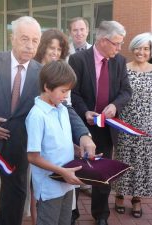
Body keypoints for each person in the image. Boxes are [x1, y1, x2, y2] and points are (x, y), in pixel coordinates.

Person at [0, 16, 95, 225]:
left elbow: (63, 107)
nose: (30, 45)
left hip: (18, 151)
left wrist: (84, 135)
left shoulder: (42, 74)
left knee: (13, 206)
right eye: (24, 39)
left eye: (34, 40)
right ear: (12, 38)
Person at [69, 20, 132, 225]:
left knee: (102, 172)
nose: (119, 48)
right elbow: (73, 93)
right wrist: (85, 111)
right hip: (81, 126)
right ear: (104, 41)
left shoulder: (119, 61)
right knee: (78, 169)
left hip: (106, 129)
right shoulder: (78, 60)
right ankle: (73, 213)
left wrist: (115, 105)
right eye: (116, 43)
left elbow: (126, 92)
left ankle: (101, 214)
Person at [26, 60, 84, 225]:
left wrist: (77, 150)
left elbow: (60, 141)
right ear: (47, 87)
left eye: (68, 91)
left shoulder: (63, 109)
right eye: (63, 91)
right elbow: (33, 157)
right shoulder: (37, 116)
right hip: (50, 186)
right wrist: (61, 172)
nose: (66, 96)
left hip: (66, 183)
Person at [113, 32, 152, 218]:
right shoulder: (124, 68)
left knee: (141, 163)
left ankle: (136, 199)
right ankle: (119, 195)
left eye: (146, 48)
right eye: (138, 47)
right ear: (132, 48)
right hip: (125, 125)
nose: (141, 52)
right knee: (123, 160)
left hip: (147, 127)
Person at [68, 16, 92, 225]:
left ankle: (85, 182)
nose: (78, 33)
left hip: (87, 111)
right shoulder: (65, 53)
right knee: (73, 152)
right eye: (74, 30)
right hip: (68, 108)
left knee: (86, 149)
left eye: (81, 29)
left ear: (87, 30)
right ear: (70, 32)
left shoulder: (94, 52)